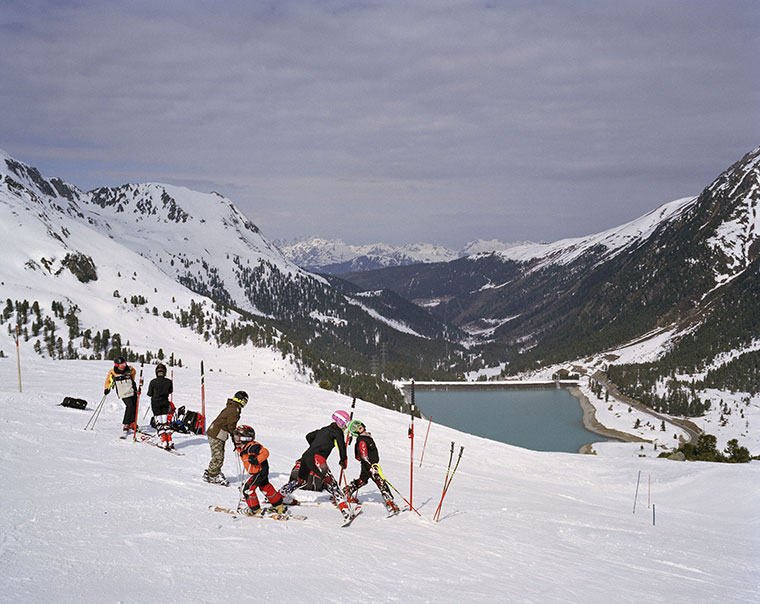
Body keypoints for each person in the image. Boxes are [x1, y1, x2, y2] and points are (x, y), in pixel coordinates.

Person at [279, 410, 353, 520]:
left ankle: (278, 497)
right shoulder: (337, 432)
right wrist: (343, 460)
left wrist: (315, 446)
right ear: (341, 422)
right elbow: (342, 446)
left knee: (301, 481)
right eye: (345, 424)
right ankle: (346, 511)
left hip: (306, 456)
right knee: (331, 482)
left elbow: (309, 436)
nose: (345, 427)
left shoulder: (323, 429)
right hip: (317, 458)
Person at [345, 420, 399, 514]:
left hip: (369, 465)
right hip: (369, 465)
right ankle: (390, 504)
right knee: (380, 482)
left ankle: (346, 493)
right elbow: (363, 455)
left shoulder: (367, 437)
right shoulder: (362, 440)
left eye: (358, 425)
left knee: (362, 480)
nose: (358, 427)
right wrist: (371, 466)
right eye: (355, 428)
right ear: (355, 433)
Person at [233, 425, 287, 516]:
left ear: (246, 438)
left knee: (248, 489)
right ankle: (278, 506)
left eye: (237, 437)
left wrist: (256, 460)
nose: (235, 440)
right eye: (235, 437)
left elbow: (265, 452)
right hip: (261, 471)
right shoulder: (244, 447)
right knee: (266, 487)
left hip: (259, 471)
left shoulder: (253, 447)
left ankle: (255, 510)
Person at [203, 391, 248, 486]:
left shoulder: (233, 407)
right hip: (217, 433)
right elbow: (231, 426)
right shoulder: (234, 410)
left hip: (217, 433)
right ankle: (212, 475)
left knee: (218, 454)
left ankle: (213, 471)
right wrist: (235, 439)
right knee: (218, 456)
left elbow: (230, 426)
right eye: (245, 401)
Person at [104, 357, 138, 437]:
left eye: (124, 364)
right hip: (123, 392)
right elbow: (108, 381)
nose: (123, 366)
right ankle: (126, 424)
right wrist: (106, 388)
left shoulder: (130, 369)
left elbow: (133, 373)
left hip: (132, 389)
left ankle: (133, 422)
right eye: (121, 365)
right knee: (129, 406)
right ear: (116, 365)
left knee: (134, 405)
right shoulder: (113, 372)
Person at [147, 363, 174, 450]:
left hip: (156, 403)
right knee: (165, 423)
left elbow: (149, 394)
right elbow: (170, 391)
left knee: (159, 424)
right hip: (165, 402)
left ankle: (163, 442)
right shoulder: (169, 381)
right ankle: (169, 441)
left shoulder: (153, 382)